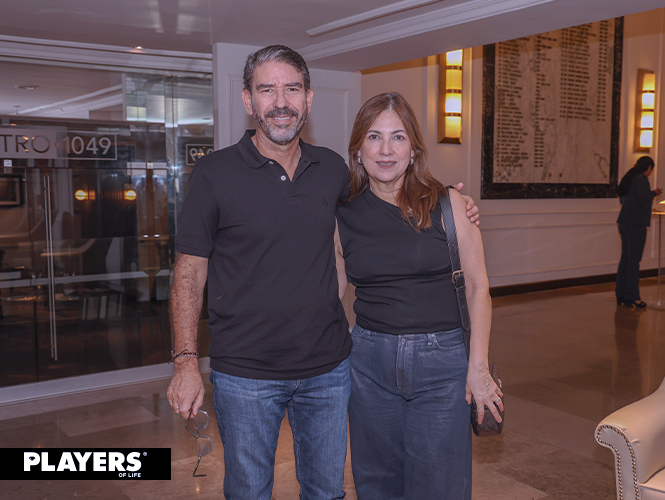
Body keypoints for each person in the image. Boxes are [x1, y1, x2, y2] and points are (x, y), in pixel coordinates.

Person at [166, 46, 479, 500]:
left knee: (327, 492)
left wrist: (452, 203)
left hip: (329, 371)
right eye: (267, 89)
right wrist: (185, 363)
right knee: (248, 492)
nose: (281, 102)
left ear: (308, 99)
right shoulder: (215, 173)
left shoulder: (332, 169)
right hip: (246, 374)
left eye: (292, 89)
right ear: (248, 100)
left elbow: (386, 196)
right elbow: (189, 271)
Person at [335, 92, 502, 500]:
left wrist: (478, 367)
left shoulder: (450, 205)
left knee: (440, 485)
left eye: (398, 137)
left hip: (442, 366)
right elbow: (332, 297)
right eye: (374, 137)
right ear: (358, 150)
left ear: (413, 150)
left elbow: (478, 286)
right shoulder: (342, 215)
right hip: (368, 365)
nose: (386, 150)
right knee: (377, 485)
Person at [616, 155, 662, 308]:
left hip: (624, 221)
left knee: (625, 259)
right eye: (651, 169)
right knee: (633, 261)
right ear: (648, 168)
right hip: (635, 223)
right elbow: (643, 199)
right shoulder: (641, 179)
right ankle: (633, 296)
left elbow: (626, 199)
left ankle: (621, 293)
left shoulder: (629, 177)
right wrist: (654, 193)